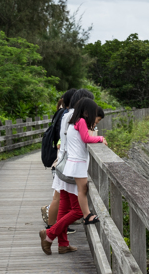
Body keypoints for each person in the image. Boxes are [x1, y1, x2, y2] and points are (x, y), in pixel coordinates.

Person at [39, 99, 104, 254]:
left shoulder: (70, 120)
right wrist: (100, 138)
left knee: (65, 207)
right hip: (76, 166)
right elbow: (86, 139)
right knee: (78, 210)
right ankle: (49, 234)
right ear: (87, 111)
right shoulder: (80, 121)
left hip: (67, 165)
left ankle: (62, 244)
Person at [43, 89, 94, 228]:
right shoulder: (76, 118)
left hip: (63, 161)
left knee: (60, 200)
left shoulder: (66, 115)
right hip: (71, 164)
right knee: (74, 208)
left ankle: (59, 239)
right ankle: (51, 232)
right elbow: (84, 137)